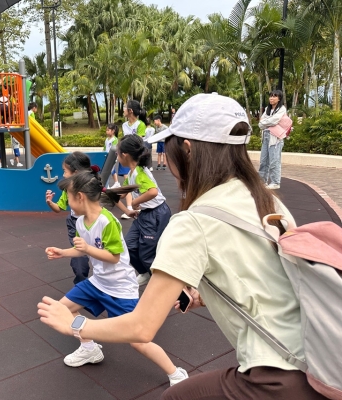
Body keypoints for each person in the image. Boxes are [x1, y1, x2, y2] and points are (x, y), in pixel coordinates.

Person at [38, 93, 327, 400]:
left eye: (168, 145)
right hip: (318, 356)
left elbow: (142, 327)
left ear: (186, 149)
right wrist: (211, 293)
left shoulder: (192, 222)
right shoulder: (267, 201)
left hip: (277, 375)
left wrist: (75, 324)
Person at [43, 172, 188, 386]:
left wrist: (88, 249)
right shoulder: (81, 222)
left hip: (120, 288)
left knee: (138, 339)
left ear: (80, 197)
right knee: (64, 309)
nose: (67, 203)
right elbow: (82, 248)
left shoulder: (107, 221)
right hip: (98, 282)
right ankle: (89, 348)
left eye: (69, 197)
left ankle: (176, 374)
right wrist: (63, 252)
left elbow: (113, 257)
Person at [115, 135, 170, 286]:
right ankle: (146, 273)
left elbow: (153, 192)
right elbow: (120, 195)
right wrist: (103, 192)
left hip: (156, 213)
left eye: (117, 153)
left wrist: (135, 202)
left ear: (125, 155)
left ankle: (164, 285)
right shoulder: (132, 173)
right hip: (145, 214)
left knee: (147, 254)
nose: (116, 156)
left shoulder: (140, 173)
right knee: (128, 246)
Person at [45, 152, 93, 284]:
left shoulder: (92, 187)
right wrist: (50, 202)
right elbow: (59, 208)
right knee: (79, 259)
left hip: (91, 223)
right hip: (74, 223)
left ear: (75, 172)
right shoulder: (68, 188)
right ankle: (81, 283)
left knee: (99, 254)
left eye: (65, 171)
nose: (63, 175)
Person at [120, 100, 146, 219]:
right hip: (126, 157)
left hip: (136, 157)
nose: (123, 110)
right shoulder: (124, 125)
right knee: (128, 181)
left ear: (130, 111)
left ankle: (139, 205)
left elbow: (138, 142)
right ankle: (130, 207)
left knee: (138, 181)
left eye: (125, 108)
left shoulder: (140, 124)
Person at [258, 89, 287, 190]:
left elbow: (274, 121)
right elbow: (260, 123)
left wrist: (265, 122)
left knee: (274, 161)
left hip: (275, 138)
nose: (271, 98)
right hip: (266, 136)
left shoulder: (282, 109)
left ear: (279, 99)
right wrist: (266, 122)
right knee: (263, 161)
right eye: (270, 96)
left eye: (274, 96)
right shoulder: (267, 109)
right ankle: (262, 181)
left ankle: (275, 182)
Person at [104, 123, 120, 188]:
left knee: (108, 170)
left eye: (108, 130)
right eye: (106, 130)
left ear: (113, 131)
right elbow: (105, 148)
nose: (106, 131)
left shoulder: (115, 139)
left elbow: (114, 149)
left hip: (112, 157)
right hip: (107, 157)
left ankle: (107, 185)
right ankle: (116, 183)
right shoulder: (107, 139)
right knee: (111, 170)